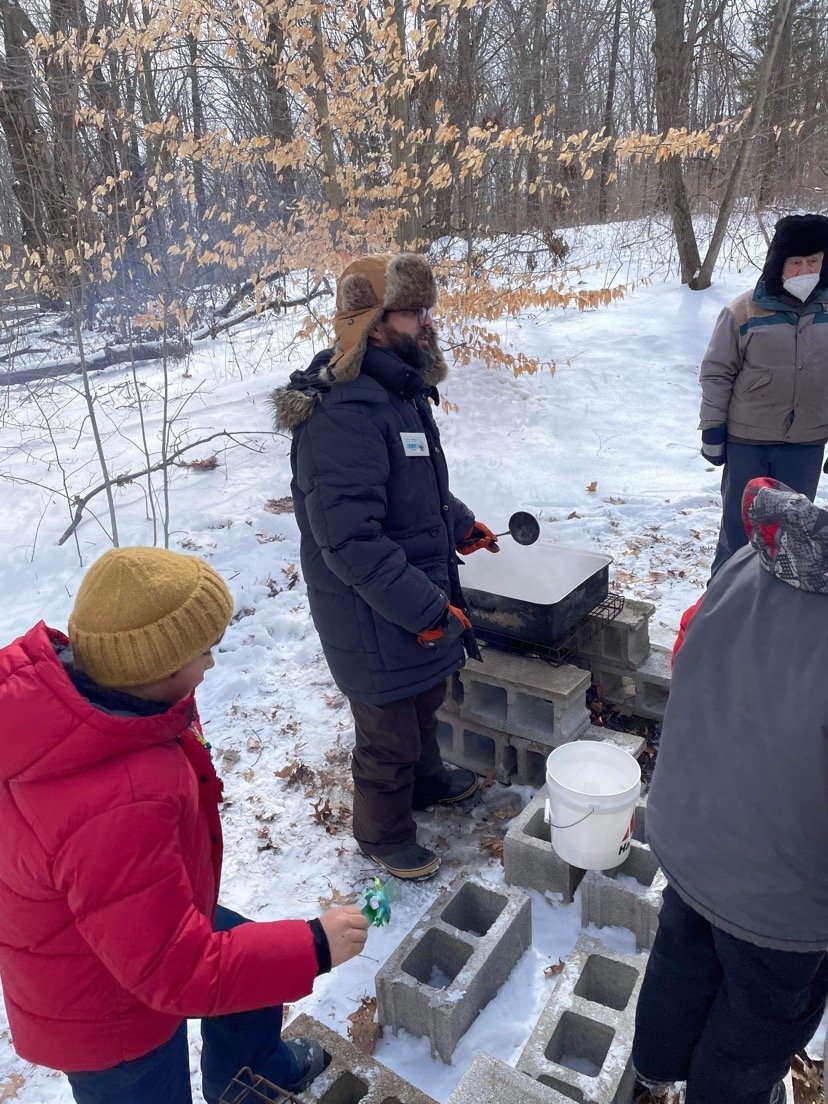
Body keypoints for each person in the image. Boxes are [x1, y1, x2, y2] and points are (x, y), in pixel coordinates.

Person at [0, 546, 369, 1104]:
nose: (212, 665)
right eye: (205, 652)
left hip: (139, 916)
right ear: (157, 670)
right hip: (105, 1013)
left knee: (253, 979)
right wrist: (313, 946)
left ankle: (251, 1077)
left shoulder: (110, 702)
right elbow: (174, 970)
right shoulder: (117, 803)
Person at [271, 252, 499, 881]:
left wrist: (459, 524)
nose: (428, 322)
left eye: (426, 309)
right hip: (367, 607)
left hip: (403, 592)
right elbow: (350, 540)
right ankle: (383, 834)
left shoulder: (397, 392)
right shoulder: (343, 413)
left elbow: (415, 486)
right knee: (388, 729)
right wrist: (426, 608)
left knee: (424, 699)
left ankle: (425, 783)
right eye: (413, 312)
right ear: (372, 323)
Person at [632, 477, 828, 1104]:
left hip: (692, 832)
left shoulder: (760, 556)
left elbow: (685, 648)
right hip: (783, 892)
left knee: (684, 953)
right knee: (761, 1014)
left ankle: (654, 1068)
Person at [699, 212, 828, 577]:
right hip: (748, 442)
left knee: (791, 538)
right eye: (795, 262)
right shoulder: (744, 311)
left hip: (806, 444)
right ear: (778, 263)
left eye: (813, 262)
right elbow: (717, 372)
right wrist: (712, 429)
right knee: (738, 532)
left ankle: (775, 607)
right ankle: (723, 600)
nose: (805, 271)